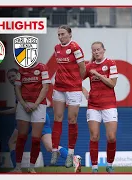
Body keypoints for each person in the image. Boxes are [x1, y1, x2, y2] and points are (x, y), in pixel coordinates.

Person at [0, 68, 79, 172]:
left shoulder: (25, 87)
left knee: (13, 141)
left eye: (13, 76)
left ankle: (18, 168)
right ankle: (74, 159)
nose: (11, 79)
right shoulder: (17, 89)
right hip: (39, 116)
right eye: (9, 77)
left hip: (33, 118)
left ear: (19, 76)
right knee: (49, 147)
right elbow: (16, 109)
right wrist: (0, 112)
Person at [50, 25, 86, 167]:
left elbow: (82, 68)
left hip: (73, 89)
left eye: (63, 34)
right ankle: (54, 151)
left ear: (70, 34)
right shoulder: (57, 48)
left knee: (72, 119)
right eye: (58, 34)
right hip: (59, 87)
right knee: (57, 118)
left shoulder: (76, 48)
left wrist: (78, 84)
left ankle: (70, 154)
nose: (60, 37)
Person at [83, 41, 118, 173]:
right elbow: (75, 79)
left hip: (109, 105)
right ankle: (95, 167)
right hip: (93, 105)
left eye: (98, 49)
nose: (96, 52)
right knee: (94, 136)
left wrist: (97, 74)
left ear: (104, 50)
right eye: (94, 50)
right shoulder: (89, 66)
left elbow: (112, 83)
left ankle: (109, 164)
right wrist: (84, 90)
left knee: (111, 137)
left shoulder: (111, 63)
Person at [11, 62, 51, 173]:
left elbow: (45, 87)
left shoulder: (42, 67)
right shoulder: (21, 69)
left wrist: (36, 104)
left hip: (39, 106)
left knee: (36, 139)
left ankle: (31, 168)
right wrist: (23, 104)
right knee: (21, 137)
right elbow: (17, 88)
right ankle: (18, 168)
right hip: (24, 105)